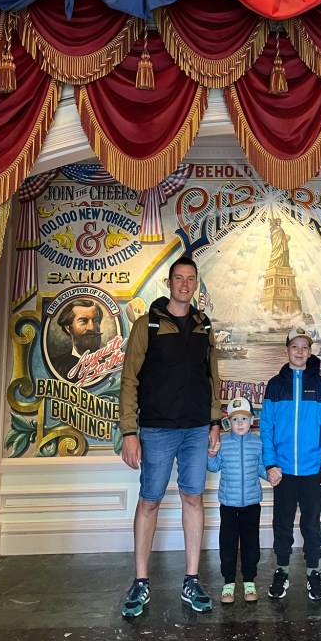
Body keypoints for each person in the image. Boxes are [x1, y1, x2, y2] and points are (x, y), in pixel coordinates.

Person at [118, 257, 222, 617]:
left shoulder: (203, 324)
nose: (184, 284)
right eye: (179, 278)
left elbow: (213, 377)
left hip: (196, 429)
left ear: (195, 284)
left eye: (190, 279)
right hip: (157, 429)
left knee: (193, 498)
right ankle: (140, 582)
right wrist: (129, 432)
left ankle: (192, 579)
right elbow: (129, 379)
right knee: (150, 501)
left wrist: (214, 421)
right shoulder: (147, 324)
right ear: (169, 282)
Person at [259, 327, 321, 602]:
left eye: (305, 347)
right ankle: (281, 570)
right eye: (295, 346)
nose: (300, 351)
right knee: (282, 523)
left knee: (311, 524)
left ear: (310, 351)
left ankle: (313, 571)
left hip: (312, 468)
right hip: (282, 469)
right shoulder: (275, 385)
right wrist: (269, 463)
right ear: (287, 350)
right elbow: (266, 427)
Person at [207, 395, 267, 604]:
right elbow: (213, 467)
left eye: (244, 419)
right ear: (228, 422)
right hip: (228, 505)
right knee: (228, 545)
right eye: (235, 419)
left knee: (251, 545)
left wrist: (273, 474)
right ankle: (229, 583)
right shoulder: (223, 443)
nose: (240, 423)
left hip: (252, 504)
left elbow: (261, 468)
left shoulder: (258, 443)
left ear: (251, 420)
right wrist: (211, 454)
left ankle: (249, 581)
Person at [53, 298, 104, 379]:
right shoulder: (55, 365)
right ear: (68, 328)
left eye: (95, 320)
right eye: (83, 321)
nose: (91, 327)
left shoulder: (112, 362)